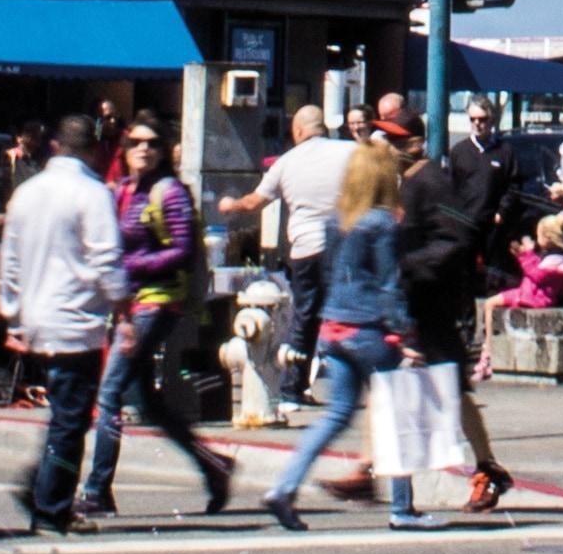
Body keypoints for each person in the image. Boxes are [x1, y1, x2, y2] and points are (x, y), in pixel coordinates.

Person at [263, 138, 424, 529]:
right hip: (370, 330)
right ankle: (402, 509)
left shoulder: (337, 220)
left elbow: (333, 275)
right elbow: (388, 283)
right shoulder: (383, 222)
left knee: (335, 416)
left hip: (333, 328)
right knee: (394, 417)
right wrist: (405, 331)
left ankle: (284, 487)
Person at [77, 125, 232, 521]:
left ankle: (97, 490)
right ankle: (214, 467)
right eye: (135, 143)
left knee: (110, 392)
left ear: (163, 150)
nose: (144, 149)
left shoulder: (170, 192)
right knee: (148, 402)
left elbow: (181, 251)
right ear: (124, 149)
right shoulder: (126, 190)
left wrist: (131, 265)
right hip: (130, 305)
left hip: (158, 301)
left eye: (152, 142)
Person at [0, 116, 125, 532]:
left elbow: (11, 261)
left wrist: (12, 312)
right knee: (71, 420)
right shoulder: (92, 194)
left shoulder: (26, 193)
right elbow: (106, 257)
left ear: (55, 146)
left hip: (36, 317)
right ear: (92, 150)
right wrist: (122, 301)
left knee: (63, 414)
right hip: (76, 319)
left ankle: (42, 487)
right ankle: (51, 505)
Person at [393, 115, 517, 512]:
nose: (381, 144)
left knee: (446, 389)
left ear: (413, 144)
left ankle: (486, 470)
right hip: (421, 302)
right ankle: (485, 468)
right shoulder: (410, 183)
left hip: (436, 303)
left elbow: (459, 236)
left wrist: (409, 265)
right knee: (446, 390)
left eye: (391, 138)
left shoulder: (430, 181)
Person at [253, 101, 352, 404]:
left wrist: (229, 205)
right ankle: (346, 387)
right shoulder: (350, 152)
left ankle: (292, 390)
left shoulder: (287, 161)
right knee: (346, 316)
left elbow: (254, 201)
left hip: (305, 249)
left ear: (298, 130)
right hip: (344, 245)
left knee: (304, 318)